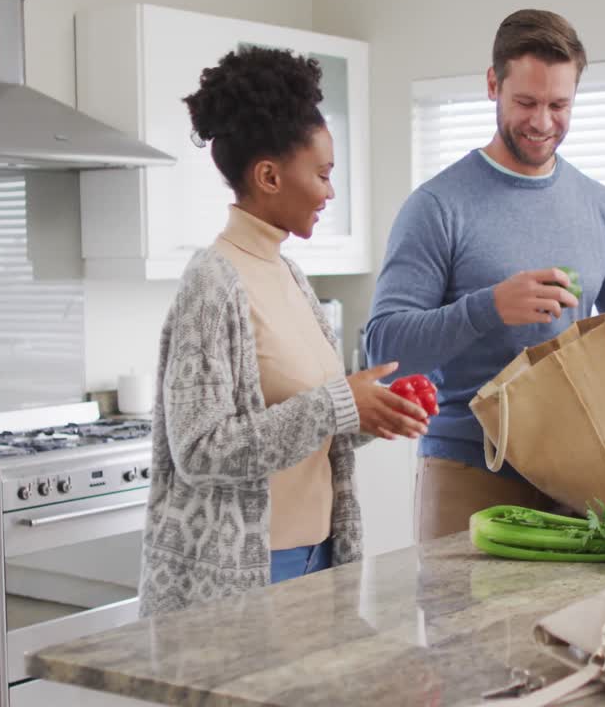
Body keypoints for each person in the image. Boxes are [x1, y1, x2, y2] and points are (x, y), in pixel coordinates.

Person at [365, 9, 605, 541]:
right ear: (492, 85)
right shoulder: (437, 207)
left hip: (586, 469)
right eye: (526, 102)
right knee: (465, 626)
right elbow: (383, 351)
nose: (543, 122)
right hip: (472, 468)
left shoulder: (599, 205)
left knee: (573, 625)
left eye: (559, 104)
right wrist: (488, 307)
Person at [138, 46, 429, 617]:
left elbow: (308, 424)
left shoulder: (289, 274)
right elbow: (199, 450)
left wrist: (371, 411)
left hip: (319, 555)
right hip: (251, 571)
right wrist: (340, 403)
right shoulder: (212, 284)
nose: (330, 191)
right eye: (322, 174)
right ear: (269, 176)